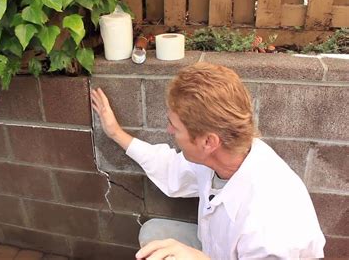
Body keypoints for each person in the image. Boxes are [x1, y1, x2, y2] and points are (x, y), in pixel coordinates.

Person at [90, 63, 325, 260]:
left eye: (175, 125)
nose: (168, 129)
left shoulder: (271, 222)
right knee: (154, 234)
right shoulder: (224, 156)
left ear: (208, 142)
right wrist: (116, 133)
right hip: (216, 251)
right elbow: (170, 167)